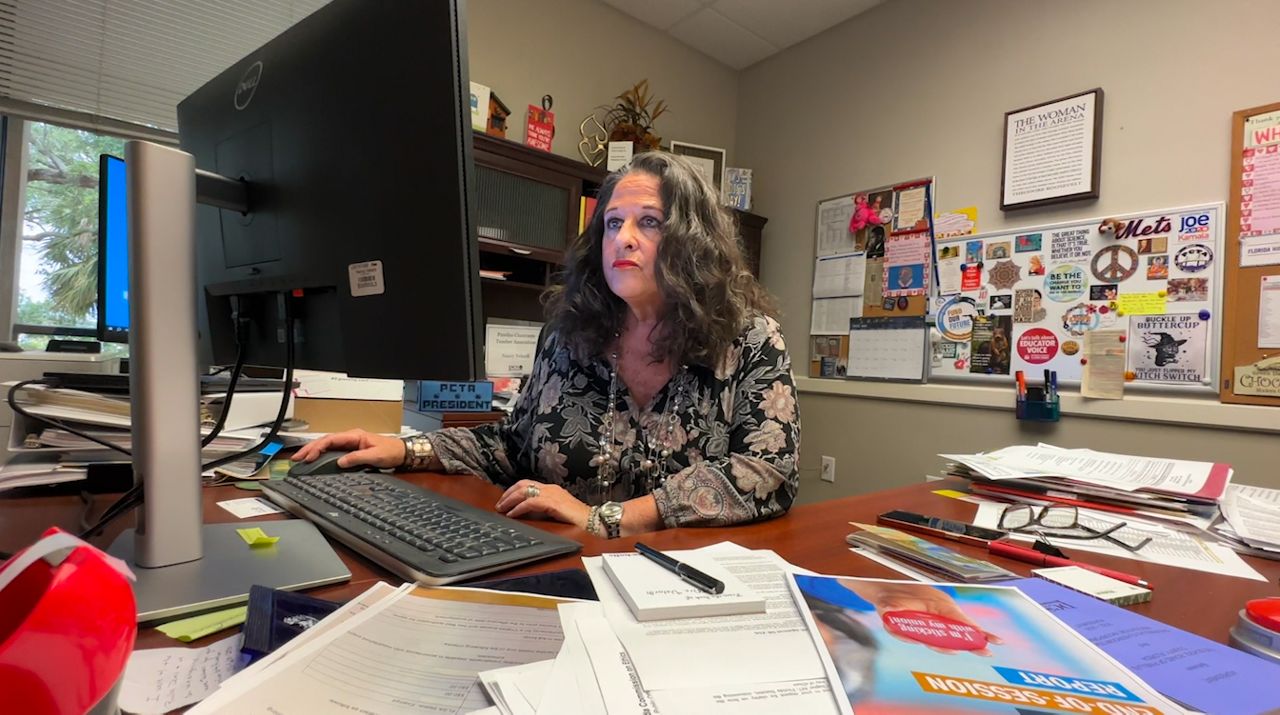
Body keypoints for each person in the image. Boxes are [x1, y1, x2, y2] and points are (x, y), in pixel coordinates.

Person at [292, 152, 800, 538]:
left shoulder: (750, 339)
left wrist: (607, 518)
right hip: (566, 562)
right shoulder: (568, 336)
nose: (623, 237)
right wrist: (406, 448)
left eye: (649, 221)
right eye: (612, 222)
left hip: (685, 589)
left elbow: (767, 473)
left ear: (693, 241)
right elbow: (514, 444)